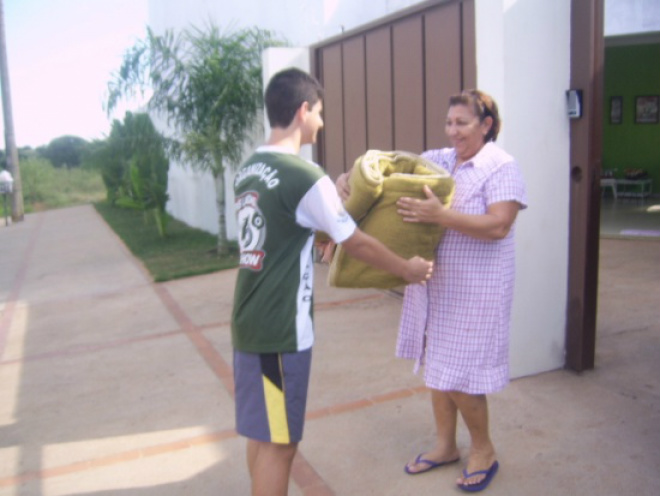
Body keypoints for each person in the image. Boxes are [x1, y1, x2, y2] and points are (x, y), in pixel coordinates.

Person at [231, 67, 434, 496]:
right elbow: (356, 243)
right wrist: (407, 269)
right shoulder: (304, 175)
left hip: (249, 322)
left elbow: (290, 228)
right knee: (281, 447)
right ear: (303, 110)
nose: (321, 122)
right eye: (319, 112)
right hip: (281, 331)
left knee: (262, 435)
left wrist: (330, 204)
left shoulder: (249, 168)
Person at [337, 89, 527, 492]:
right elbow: (391, 171)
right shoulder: (439, 161)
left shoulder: (501, 166)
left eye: (462, 123)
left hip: (477, 289)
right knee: (438, 369)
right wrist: (349, 180)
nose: (452, 131)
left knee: (461, 377)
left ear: (486, 125)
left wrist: (442, 215)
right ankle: (445, 446)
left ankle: (483, 450)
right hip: (434, 284)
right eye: (449, 122)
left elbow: (499, 225)